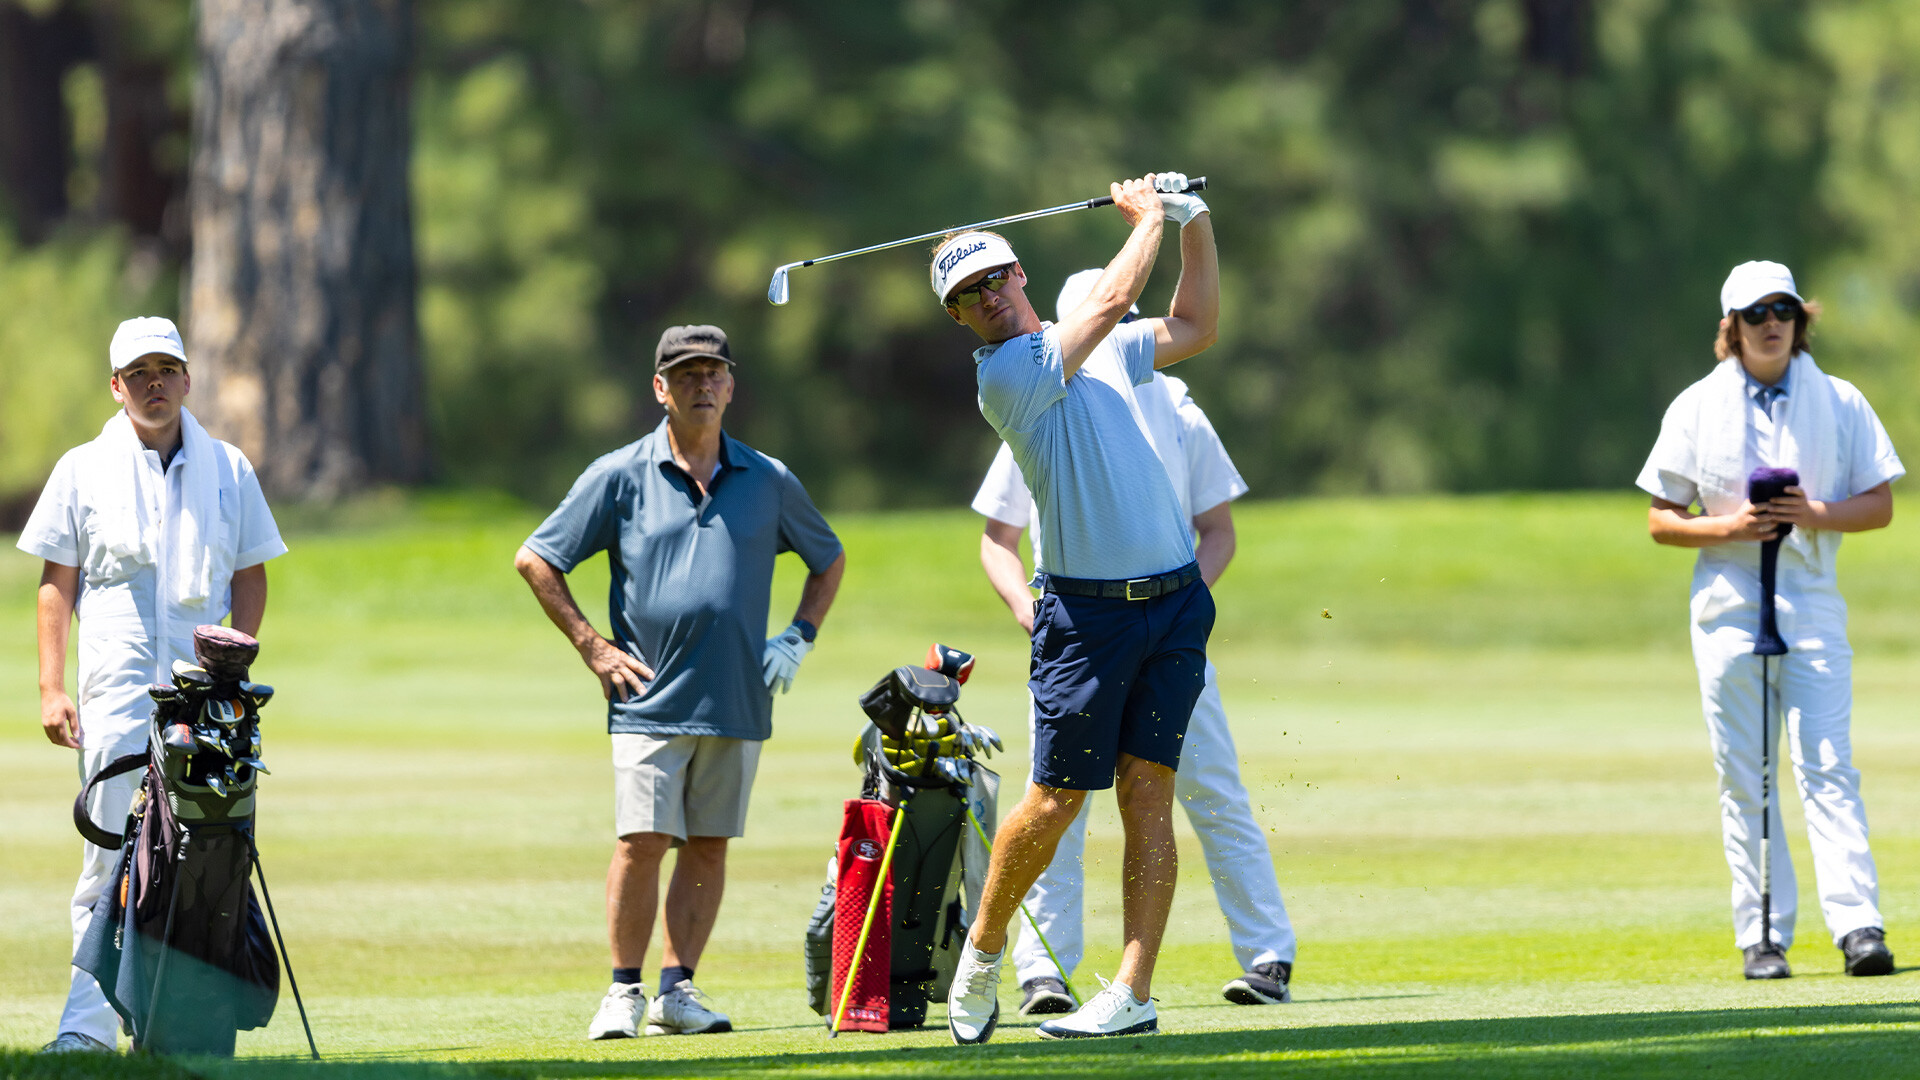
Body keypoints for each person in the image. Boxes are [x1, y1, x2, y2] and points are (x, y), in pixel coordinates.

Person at [932, 172, 1218, 1043]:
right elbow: (1119, 292)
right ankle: (982, 955)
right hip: (1085, 622)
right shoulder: (1010, 373)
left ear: (1019, 272)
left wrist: (1197, 225)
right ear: (960, 318)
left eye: (994, 277)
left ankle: (1131, 992)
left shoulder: (1094, 345)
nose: (987, 296)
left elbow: (1197, 326)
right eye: (967, 294)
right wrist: (1151, 216)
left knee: (1147, 795)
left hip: (1172, 603)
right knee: (1055, 801)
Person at [973, 269, 1296, 1016]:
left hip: (1171, 630)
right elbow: (999, 538)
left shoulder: (1179, 406)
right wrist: (1028, 608)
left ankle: (1267, 955)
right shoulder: (1042, 390)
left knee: (1211, 789)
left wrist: (1178, 616)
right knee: (1057, 801)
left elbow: (1217, 530)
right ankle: (1043, 969)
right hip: (1083, 634)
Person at [514, 325, 845, 1039]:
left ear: (731, 385)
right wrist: (593, 647)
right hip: (648, 699)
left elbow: (829, 558)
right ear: (659, 389)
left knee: (709, 844)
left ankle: (678, 989)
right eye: (686, 374)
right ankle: (623, 992)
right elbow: (537, 558)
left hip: (736, 698)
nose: (702, 385)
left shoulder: (769, 478)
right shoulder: (619, 474)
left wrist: (798, 636)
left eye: (713, 373)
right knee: (643, 839)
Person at [18, 316, 286, 1055]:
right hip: (113, 693)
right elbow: (55, 586)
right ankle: (88, 1028)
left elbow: (251, 574)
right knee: (107, 860)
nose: (155, 383)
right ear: (116, 386)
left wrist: (239, 662)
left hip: (201, 703)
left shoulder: (229, 468)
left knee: (198, 857)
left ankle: (177, 1028)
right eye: (139, 373)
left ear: (187, 379)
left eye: (167, 369)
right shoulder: (81, 468)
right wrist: (50, 687)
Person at [1637, 261, 1901, 980]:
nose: (1772, 323)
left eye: (1784, 309)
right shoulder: (1695, 405)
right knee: (1745, 774)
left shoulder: (1841, 400)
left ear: (1800, 318)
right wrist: (1730, 529)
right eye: (1756, 314)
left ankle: (1858, 927)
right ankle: (1762, 935)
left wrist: (1813, 514)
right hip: (1727, 611)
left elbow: (1879, 503)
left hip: (1812, 603)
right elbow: (1662, 520)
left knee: (1828, 767)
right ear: (1732, 328)